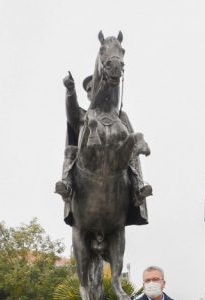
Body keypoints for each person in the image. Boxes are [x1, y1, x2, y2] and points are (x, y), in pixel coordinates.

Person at [55, 71, 151, 216]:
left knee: (132, 148)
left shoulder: (120, 116)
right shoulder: (82, 114)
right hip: (86, 156)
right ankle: (67, 184)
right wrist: (70, 90)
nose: (91, 91)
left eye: (94, 87)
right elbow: (71, 110)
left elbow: (129, 136)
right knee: (70, 150)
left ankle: (138, 188)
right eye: (88, 89)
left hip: (117, 157)